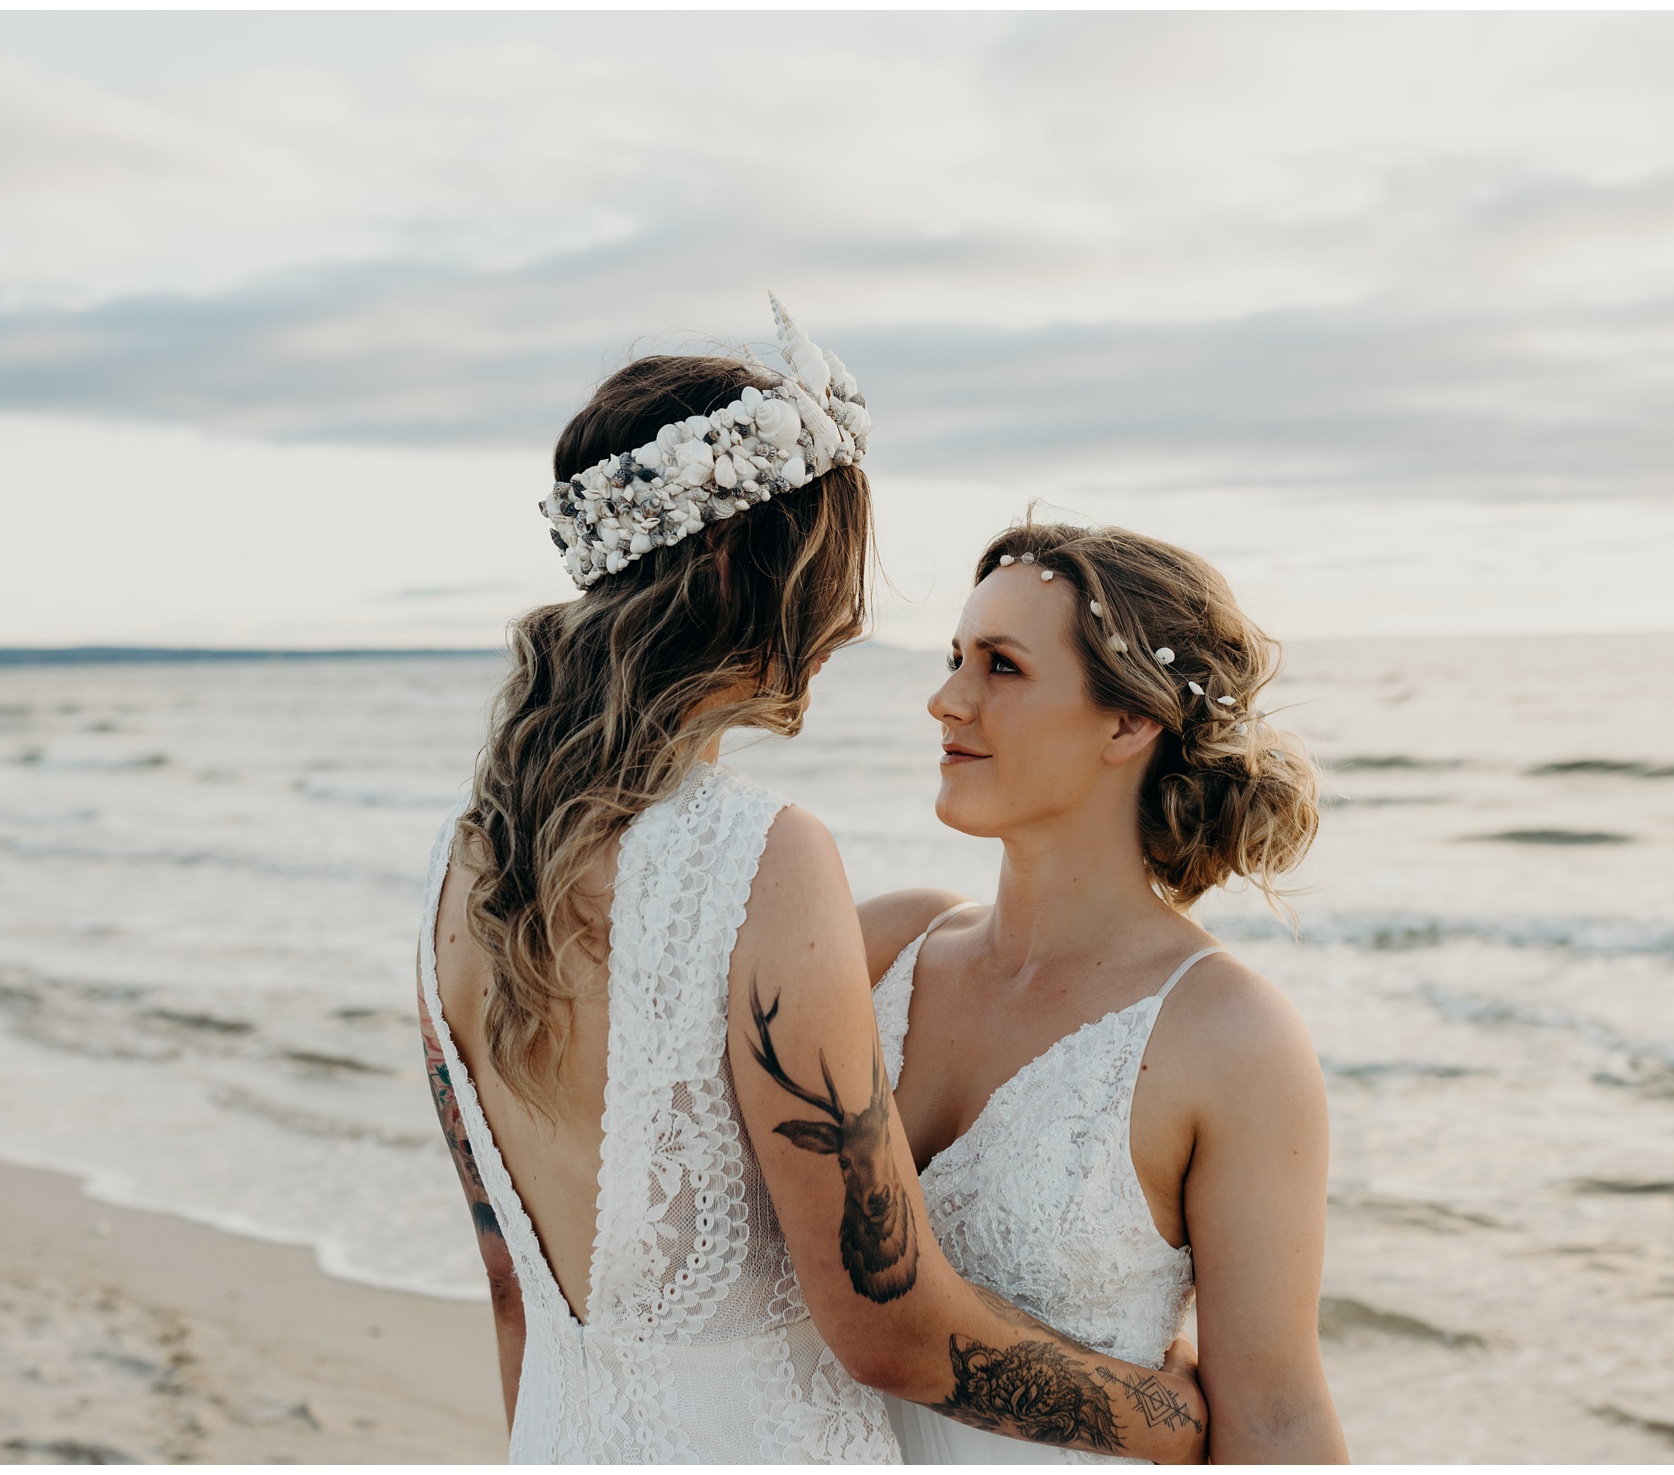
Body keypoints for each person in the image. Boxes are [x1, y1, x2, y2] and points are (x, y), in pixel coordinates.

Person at [415, 301, 1209, 1462]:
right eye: (833, 559)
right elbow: (886, 1323)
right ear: (738, 562)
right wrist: (1168, 1415)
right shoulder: (757, 856)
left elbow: (508, 1286)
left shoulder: (465, 859)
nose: (843, 616)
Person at [860, 522, 1349, 1463]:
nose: (946, 699)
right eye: (956, 658)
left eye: (1002, 666)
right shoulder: (886, 945)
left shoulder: (1226, 1033)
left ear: (1128, 723)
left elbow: (1276, 1413)